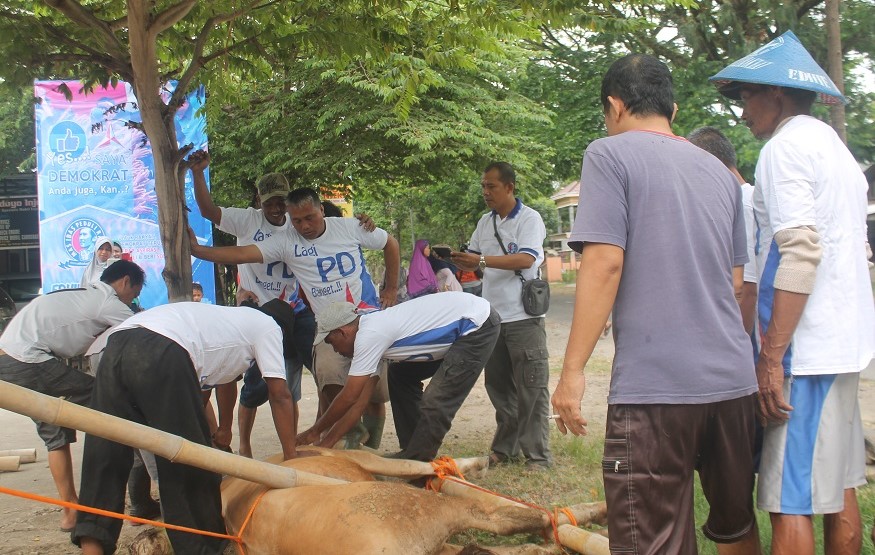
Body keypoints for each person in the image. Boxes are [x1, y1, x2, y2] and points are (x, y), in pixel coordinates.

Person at [550, 54, 760, 554]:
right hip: (732, 385)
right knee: (736, 527)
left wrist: (572, 371)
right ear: (673, 106)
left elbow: (604, 264)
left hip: (656, 391)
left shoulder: (608, 154)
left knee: (652, 543)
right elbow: (735, 281)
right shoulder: (718, 171)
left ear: (615, 105)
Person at [711, 31, 875, 555]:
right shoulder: (834, 148)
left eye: (745, 98)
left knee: (790, 499)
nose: (741, 113)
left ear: (776, 93)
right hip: (843, 346)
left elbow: (800, 253)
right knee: (838, 485)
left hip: (806, 355)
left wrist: (773, 357)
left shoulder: (784, 149)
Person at [73, 299, 299, 555]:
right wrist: (291, 457)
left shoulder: (225, 323)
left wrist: (223, 429)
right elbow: (280, 394)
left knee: (105, 450)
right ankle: (202, 548)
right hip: (162, 348)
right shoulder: (268, 325)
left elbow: (207, 389)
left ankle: (92, 547)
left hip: (117, 344)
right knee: (190, 463)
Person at [190, 186, 401, 450]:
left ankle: (369, 452)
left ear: (321, 210)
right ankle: (349, 439)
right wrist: (198, 251)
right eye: (297, 220)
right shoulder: (287, 241)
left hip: (368, 320)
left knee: (373, 395)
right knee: (329, 379)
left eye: (310, 217)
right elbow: (243, 254)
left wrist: (390, 287)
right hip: (330, 330)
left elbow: (390, 243)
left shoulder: (349, 227)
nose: (304, 226)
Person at [0, 260, 144, 532]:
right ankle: (133, 491)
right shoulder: (106, 301)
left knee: (55, 433)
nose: (131, 302)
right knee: (104, 396)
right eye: (133, 295)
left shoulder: (83, 293)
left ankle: (70, 511)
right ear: (125, 282)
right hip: (29, 359)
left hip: (12, 356)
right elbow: (145, 327)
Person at [190, 150, 315, 458]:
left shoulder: (296, 224)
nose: (275, 207)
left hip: (293, 312)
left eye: (280, 201)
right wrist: (197, 173)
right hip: (258, 313)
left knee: (295, 379)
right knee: (255, 385)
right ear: (259, 199)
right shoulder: (247, 220)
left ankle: (301, 443)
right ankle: (242, 443)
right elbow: (207, 210)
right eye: (269, 201)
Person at [297, 292, 500, 461]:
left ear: (342, 332)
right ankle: (412, 450)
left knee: (436, 399)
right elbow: (359, 403)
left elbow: (349, 396)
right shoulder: (370, 333)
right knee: (400, 376)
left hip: (476, 325)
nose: (335, 350)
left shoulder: (370, 335)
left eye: (331, 343)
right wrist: (326, 446)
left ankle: (419, 466)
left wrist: (314, 432)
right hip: (460, 323)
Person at [450, 161, 552, 471]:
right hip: (492, 318)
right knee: (499, 388)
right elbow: (475, 264)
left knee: (532, 387)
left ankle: (538, 457)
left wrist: (479, 259)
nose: (485, 192)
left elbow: (525, 259)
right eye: (483, 186)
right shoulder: (485, 222)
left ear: (509, 187)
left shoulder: (530, 219)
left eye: (491, 186)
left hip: (524, 317)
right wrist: (455, 260)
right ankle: (505, 450)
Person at [687, 126, 758, 334]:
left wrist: (740, 343)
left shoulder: (743, 204)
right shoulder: (744, 199)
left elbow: (747, 289)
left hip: (747, 333)